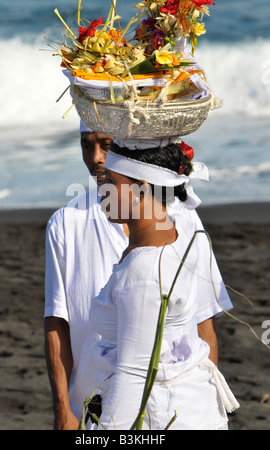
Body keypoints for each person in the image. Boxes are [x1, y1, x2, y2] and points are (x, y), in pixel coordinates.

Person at [44, 127, 233, 430]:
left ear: (141, 189)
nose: (100, 184)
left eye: (112, 182)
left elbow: (133, 377)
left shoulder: (143, 273)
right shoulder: (160, 244)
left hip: (155, 417)